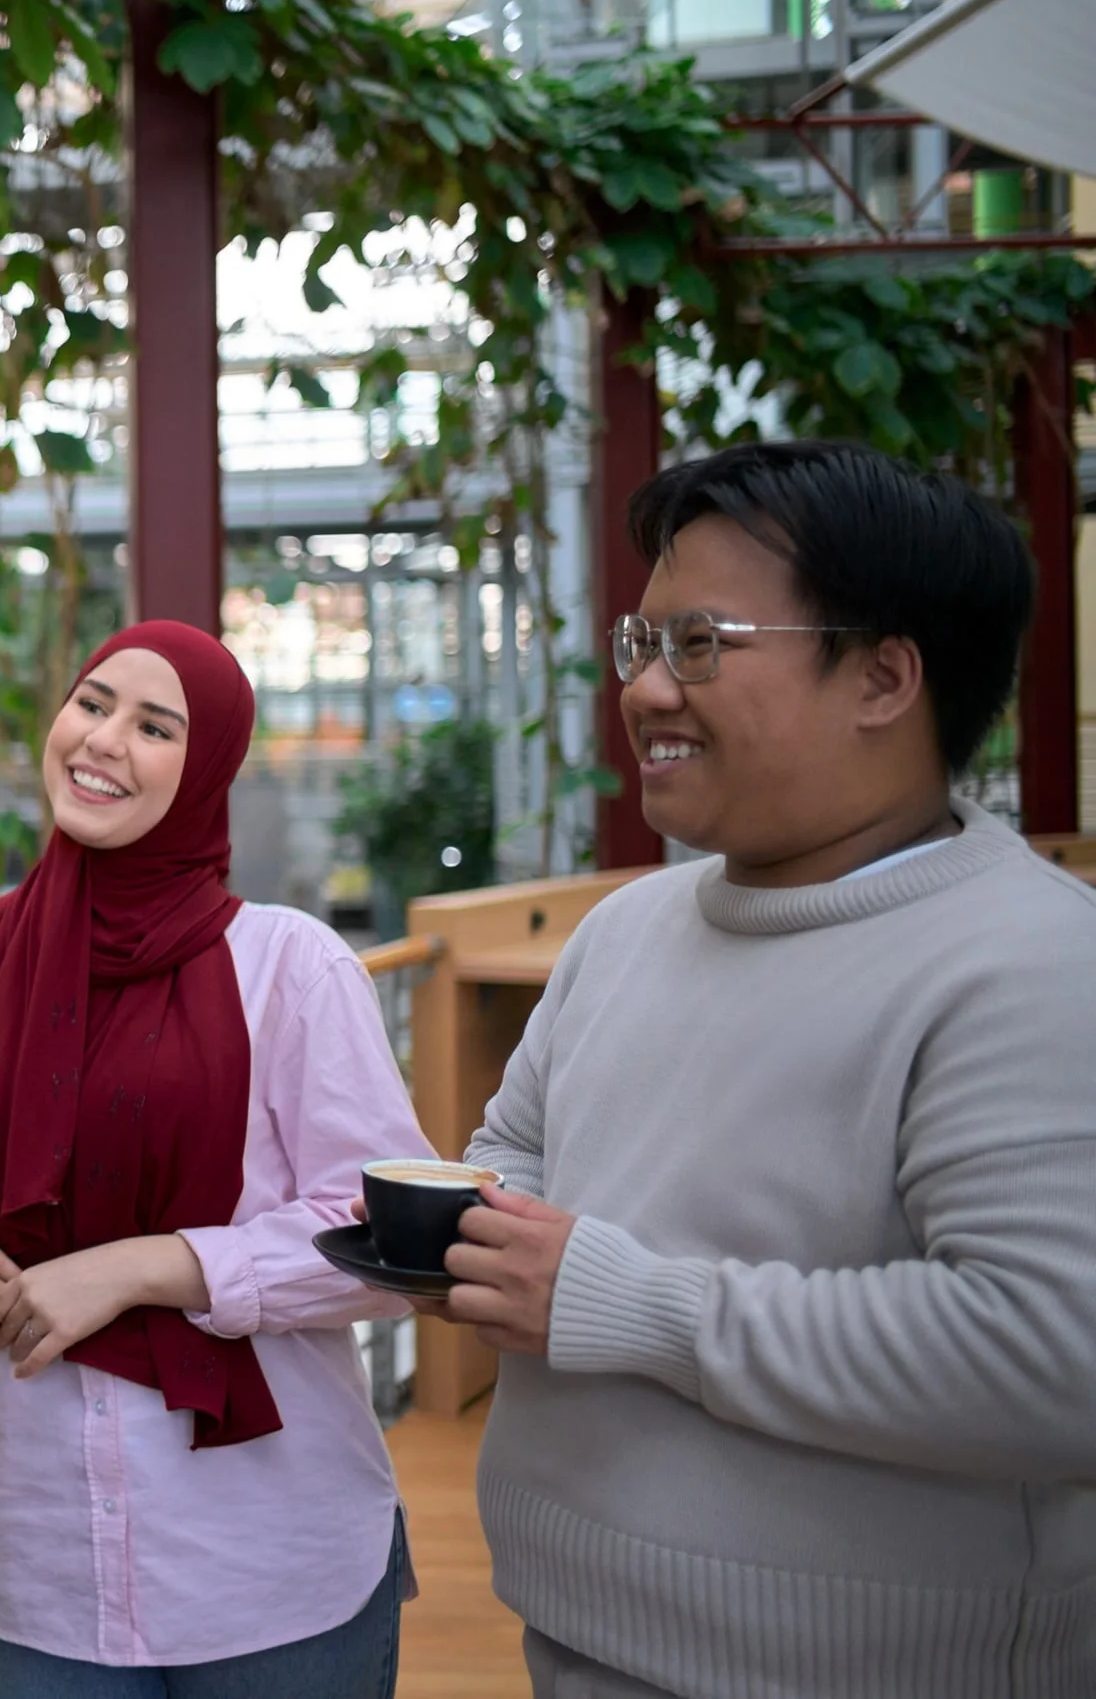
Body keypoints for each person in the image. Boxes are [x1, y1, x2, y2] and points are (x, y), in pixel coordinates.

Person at [439, 440, 1096, 1698]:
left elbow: (1050, 1353)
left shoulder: (1026, 963)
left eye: (700, 645)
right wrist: (464, 1244)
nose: (643, 691)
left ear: (885, 677)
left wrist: (627, 1302)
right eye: (641, 647)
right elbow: (513, 1150)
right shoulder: (628, 926)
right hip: (569, 1626)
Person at [0, 618, 433, 1698]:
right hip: (30, 1563)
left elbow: (391, 1243)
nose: (102, 742)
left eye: (156, 727)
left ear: (209, 770)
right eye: (91, 704)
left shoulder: (289, 967)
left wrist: (146, 1267)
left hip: (267, 1564)